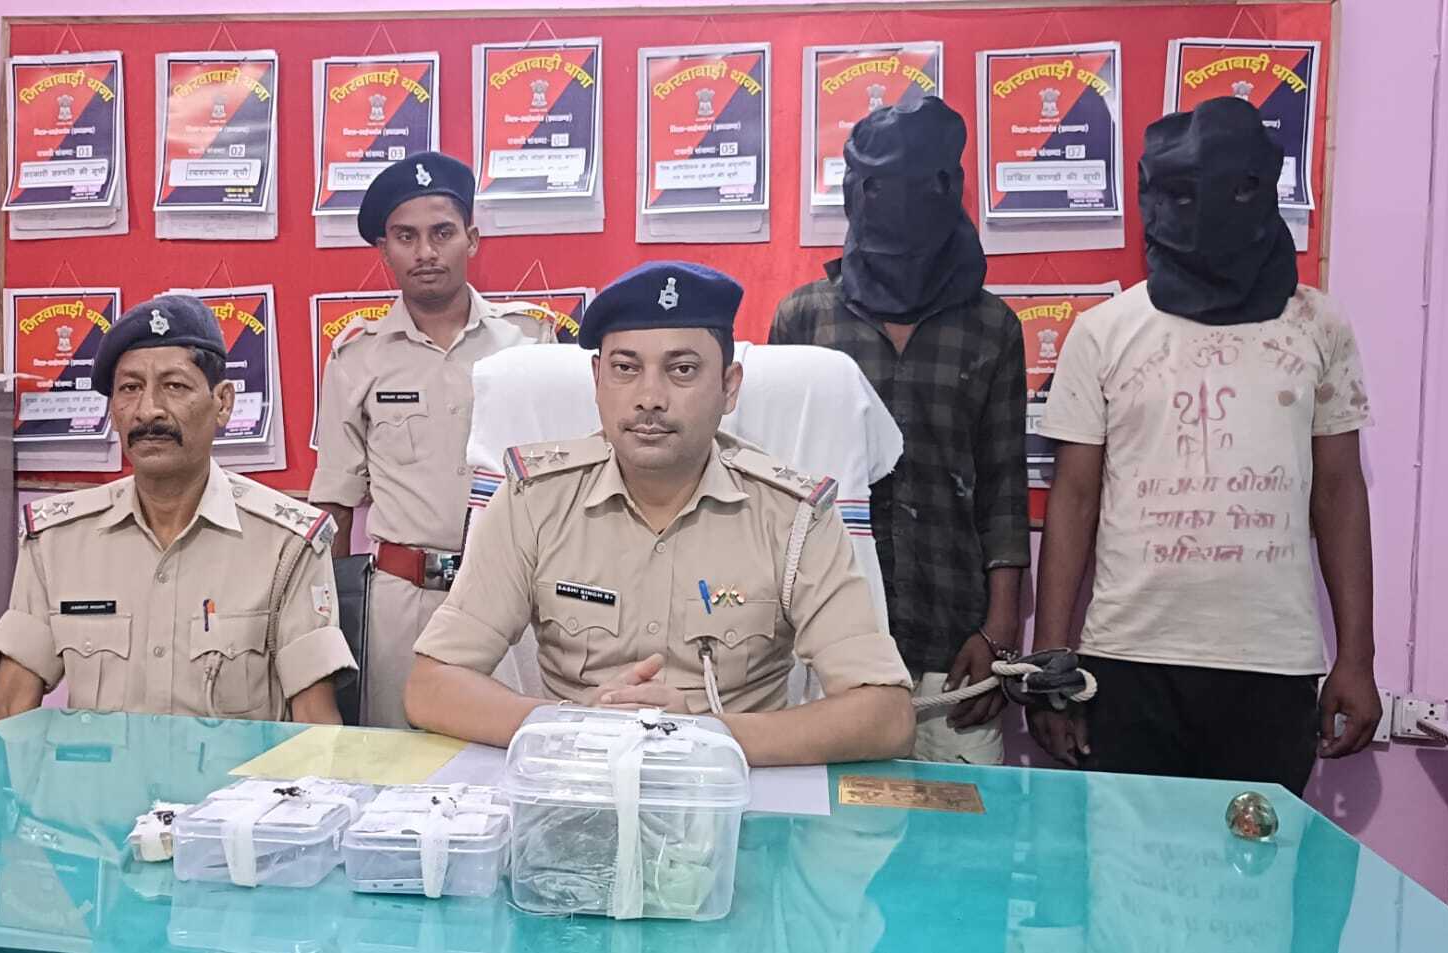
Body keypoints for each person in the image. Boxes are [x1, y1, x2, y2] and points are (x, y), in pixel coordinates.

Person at [403, 261, 916, 766]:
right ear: (597, 380)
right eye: (626, 369)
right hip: (577, 780)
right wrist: (574, 725)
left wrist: (703, 736)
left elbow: (885, 715)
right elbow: (432, 687)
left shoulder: (794, 518)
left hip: (735, 791)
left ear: (729, 386)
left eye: (682, 370)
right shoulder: (532, 501)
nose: (650, 398)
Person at [1029, 98, 1381, 795]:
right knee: (1122, 861)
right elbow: (1074, 497)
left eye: (1238, 188)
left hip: (1273, 663)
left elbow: (1341, 490)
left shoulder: (1318, 325)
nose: (1211, 210)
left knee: (1258, 860)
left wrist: (1358, 658)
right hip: (1128, 659)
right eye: (1186, 193)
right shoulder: (1104, 331)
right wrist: (1050, 662)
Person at [768, 96, 1029, 764]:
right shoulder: (806, 321)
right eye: (880, 187)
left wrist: (1000, 633)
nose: (899, 206)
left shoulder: (992, 327)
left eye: (917, 187)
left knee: (963, 823)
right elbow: (768, 489)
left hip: (956, 646)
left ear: (949, 188)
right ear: (856, 193)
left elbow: (1004, 489)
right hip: (826, 645)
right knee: (836, 827)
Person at [0, 295, 356, 728]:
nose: (148, 410)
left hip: (232, 775)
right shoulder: (57, 540)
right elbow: (8, 707)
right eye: (129, 388)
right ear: (113, 409)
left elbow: (315, 723)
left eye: (174, 386)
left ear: (223, 402)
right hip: (106, 774)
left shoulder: (287, 544)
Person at [308, 152, 550, 727]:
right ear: (384, 250)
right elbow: (336, 501)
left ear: (472, 239)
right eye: (405, 237)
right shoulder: (357, 357)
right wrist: (324, 624)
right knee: (397, 758)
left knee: (514, 749)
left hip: (512, 599)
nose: (424, 252)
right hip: (401, 603)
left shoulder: (529, 343)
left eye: (442, 233)